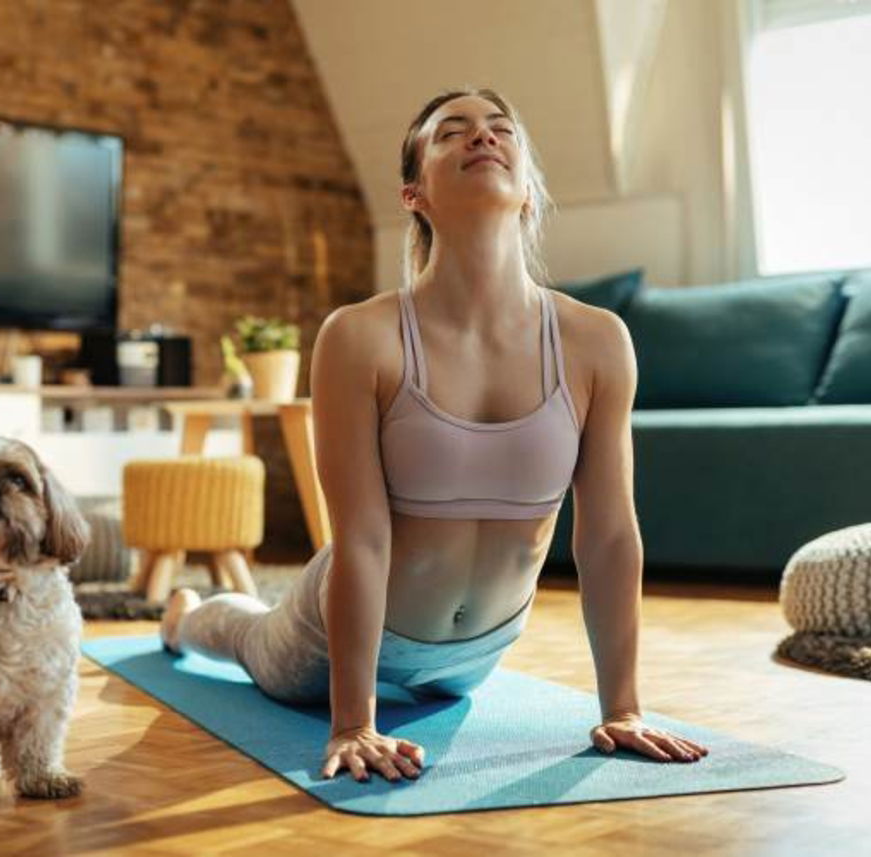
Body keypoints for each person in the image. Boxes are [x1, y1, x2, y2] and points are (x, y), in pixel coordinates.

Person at [161, 87, 710, 783]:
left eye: (500, 129)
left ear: (530, 192)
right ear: (413, 192)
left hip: (476, 656)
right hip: (339, 633)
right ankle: (185, 617)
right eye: (453, 132)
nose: (482, 138)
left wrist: (623, 707)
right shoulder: (361, 336)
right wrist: (354, 720)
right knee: (250, 640)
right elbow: (359, 535)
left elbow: (608, 535)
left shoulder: (597, 340)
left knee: (440, 685)